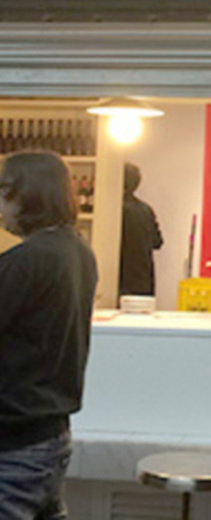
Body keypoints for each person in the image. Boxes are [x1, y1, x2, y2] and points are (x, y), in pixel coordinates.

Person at [0, 151, 98, 519]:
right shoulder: (78, 251)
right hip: (50, 432)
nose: (1, 206)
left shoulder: (26, 261)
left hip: (15, 438)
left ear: (28, 195)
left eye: (4, 193)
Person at [118, 162, 163, 296]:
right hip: (143, 280)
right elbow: (158, 242)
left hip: (120, 280)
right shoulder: (146, 210)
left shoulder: (115, 209)